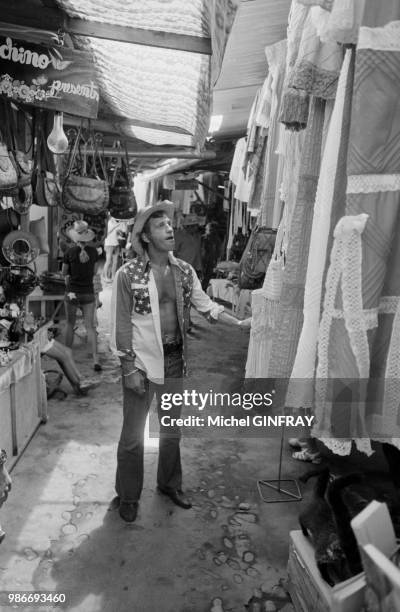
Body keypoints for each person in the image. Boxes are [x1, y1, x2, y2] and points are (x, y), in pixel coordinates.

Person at [110, 202, 238, 523]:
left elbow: (206, 306)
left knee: (170, 431)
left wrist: (239, 324)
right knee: (132, 437)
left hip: (174, 363)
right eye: (160, 226)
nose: (169, 230)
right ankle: (127, 494)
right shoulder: (129, 275)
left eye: (169, 224)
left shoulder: (184, 271)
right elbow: (121, 324)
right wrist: (128, 368)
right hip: (140, 366)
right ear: (146, 237)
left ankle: (169, 484)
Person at [62, 220, 102, 372]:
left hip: (72, 292)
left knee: (70, 324)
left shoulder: (69, 253)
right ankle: (95, 360)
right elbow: (94, 272)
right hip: (88, 293)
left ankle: (66, 357)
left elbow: (64, 273)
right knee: (90, 327)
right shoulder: (94, 252)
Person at [102, 215, 128, 282]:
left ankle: (113, 276)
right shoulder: (108, 222)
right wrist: (116, 226)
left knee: (115, 261)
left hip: (116, 244)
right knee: (108, 261)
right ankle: (105, 277)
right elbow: (107, 232)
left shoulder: (119, 223)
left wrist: (123, 223)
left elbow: (124, 231)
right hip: (109, 244)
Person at [201, 221, 222, 291]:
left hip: (210, 262)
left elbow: (218, 252)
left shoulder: (216, 240)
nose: (207, 230)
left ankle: (203, 291)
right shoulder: (202, 239)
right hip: (202, 262)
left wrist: (216, 262)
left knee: (206, 279)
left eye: (208, 229)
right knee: (201, 278)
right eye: (207, 229)